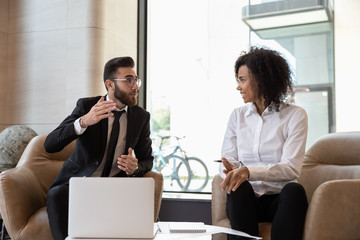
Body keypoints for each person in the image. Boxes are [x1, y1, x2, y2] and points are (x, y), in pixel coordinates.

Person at [44, 56, 153, 240]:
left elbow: (147, 160)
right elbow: (50, 145)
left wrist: (136, 167)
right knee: (56, 196)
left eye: (136, 80)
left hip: (115, 188)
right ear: (110, 85)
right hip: (80, 185)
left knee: (141, 207)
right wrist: (84, 121)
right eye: (129, 80)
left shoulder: (141, 117)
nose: (135, 86)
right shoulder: (87, 106)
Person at [220, 47, 308, 240]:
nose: (238, 87)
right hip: (246, 200)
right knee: (237, 188)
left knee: (295, 191)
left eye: (242, 80)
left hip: (280, 201)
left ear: (261, 79)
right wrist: (230, 170)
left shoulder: (295, 115)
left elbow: (291, 169)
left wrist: (248, 171)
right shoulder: (237, 116)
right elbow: (228, 159)